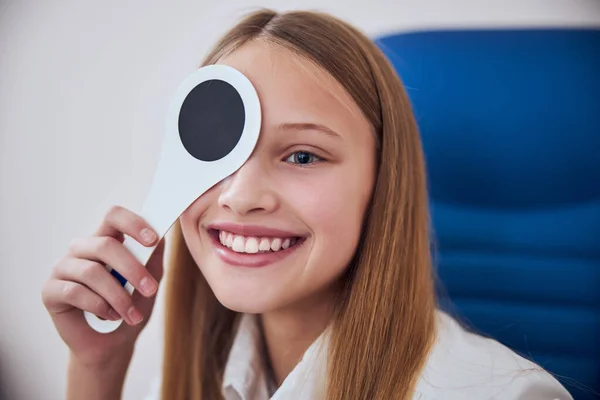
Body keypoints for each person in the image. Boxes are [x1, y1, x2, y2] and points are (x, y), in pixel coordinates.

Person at [41, 8, 574, 400]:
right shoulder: (207, 382)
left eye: (301, 156)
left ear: (382, 182)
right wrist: (97, 369)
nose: (241, 195)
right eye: (219, 151)